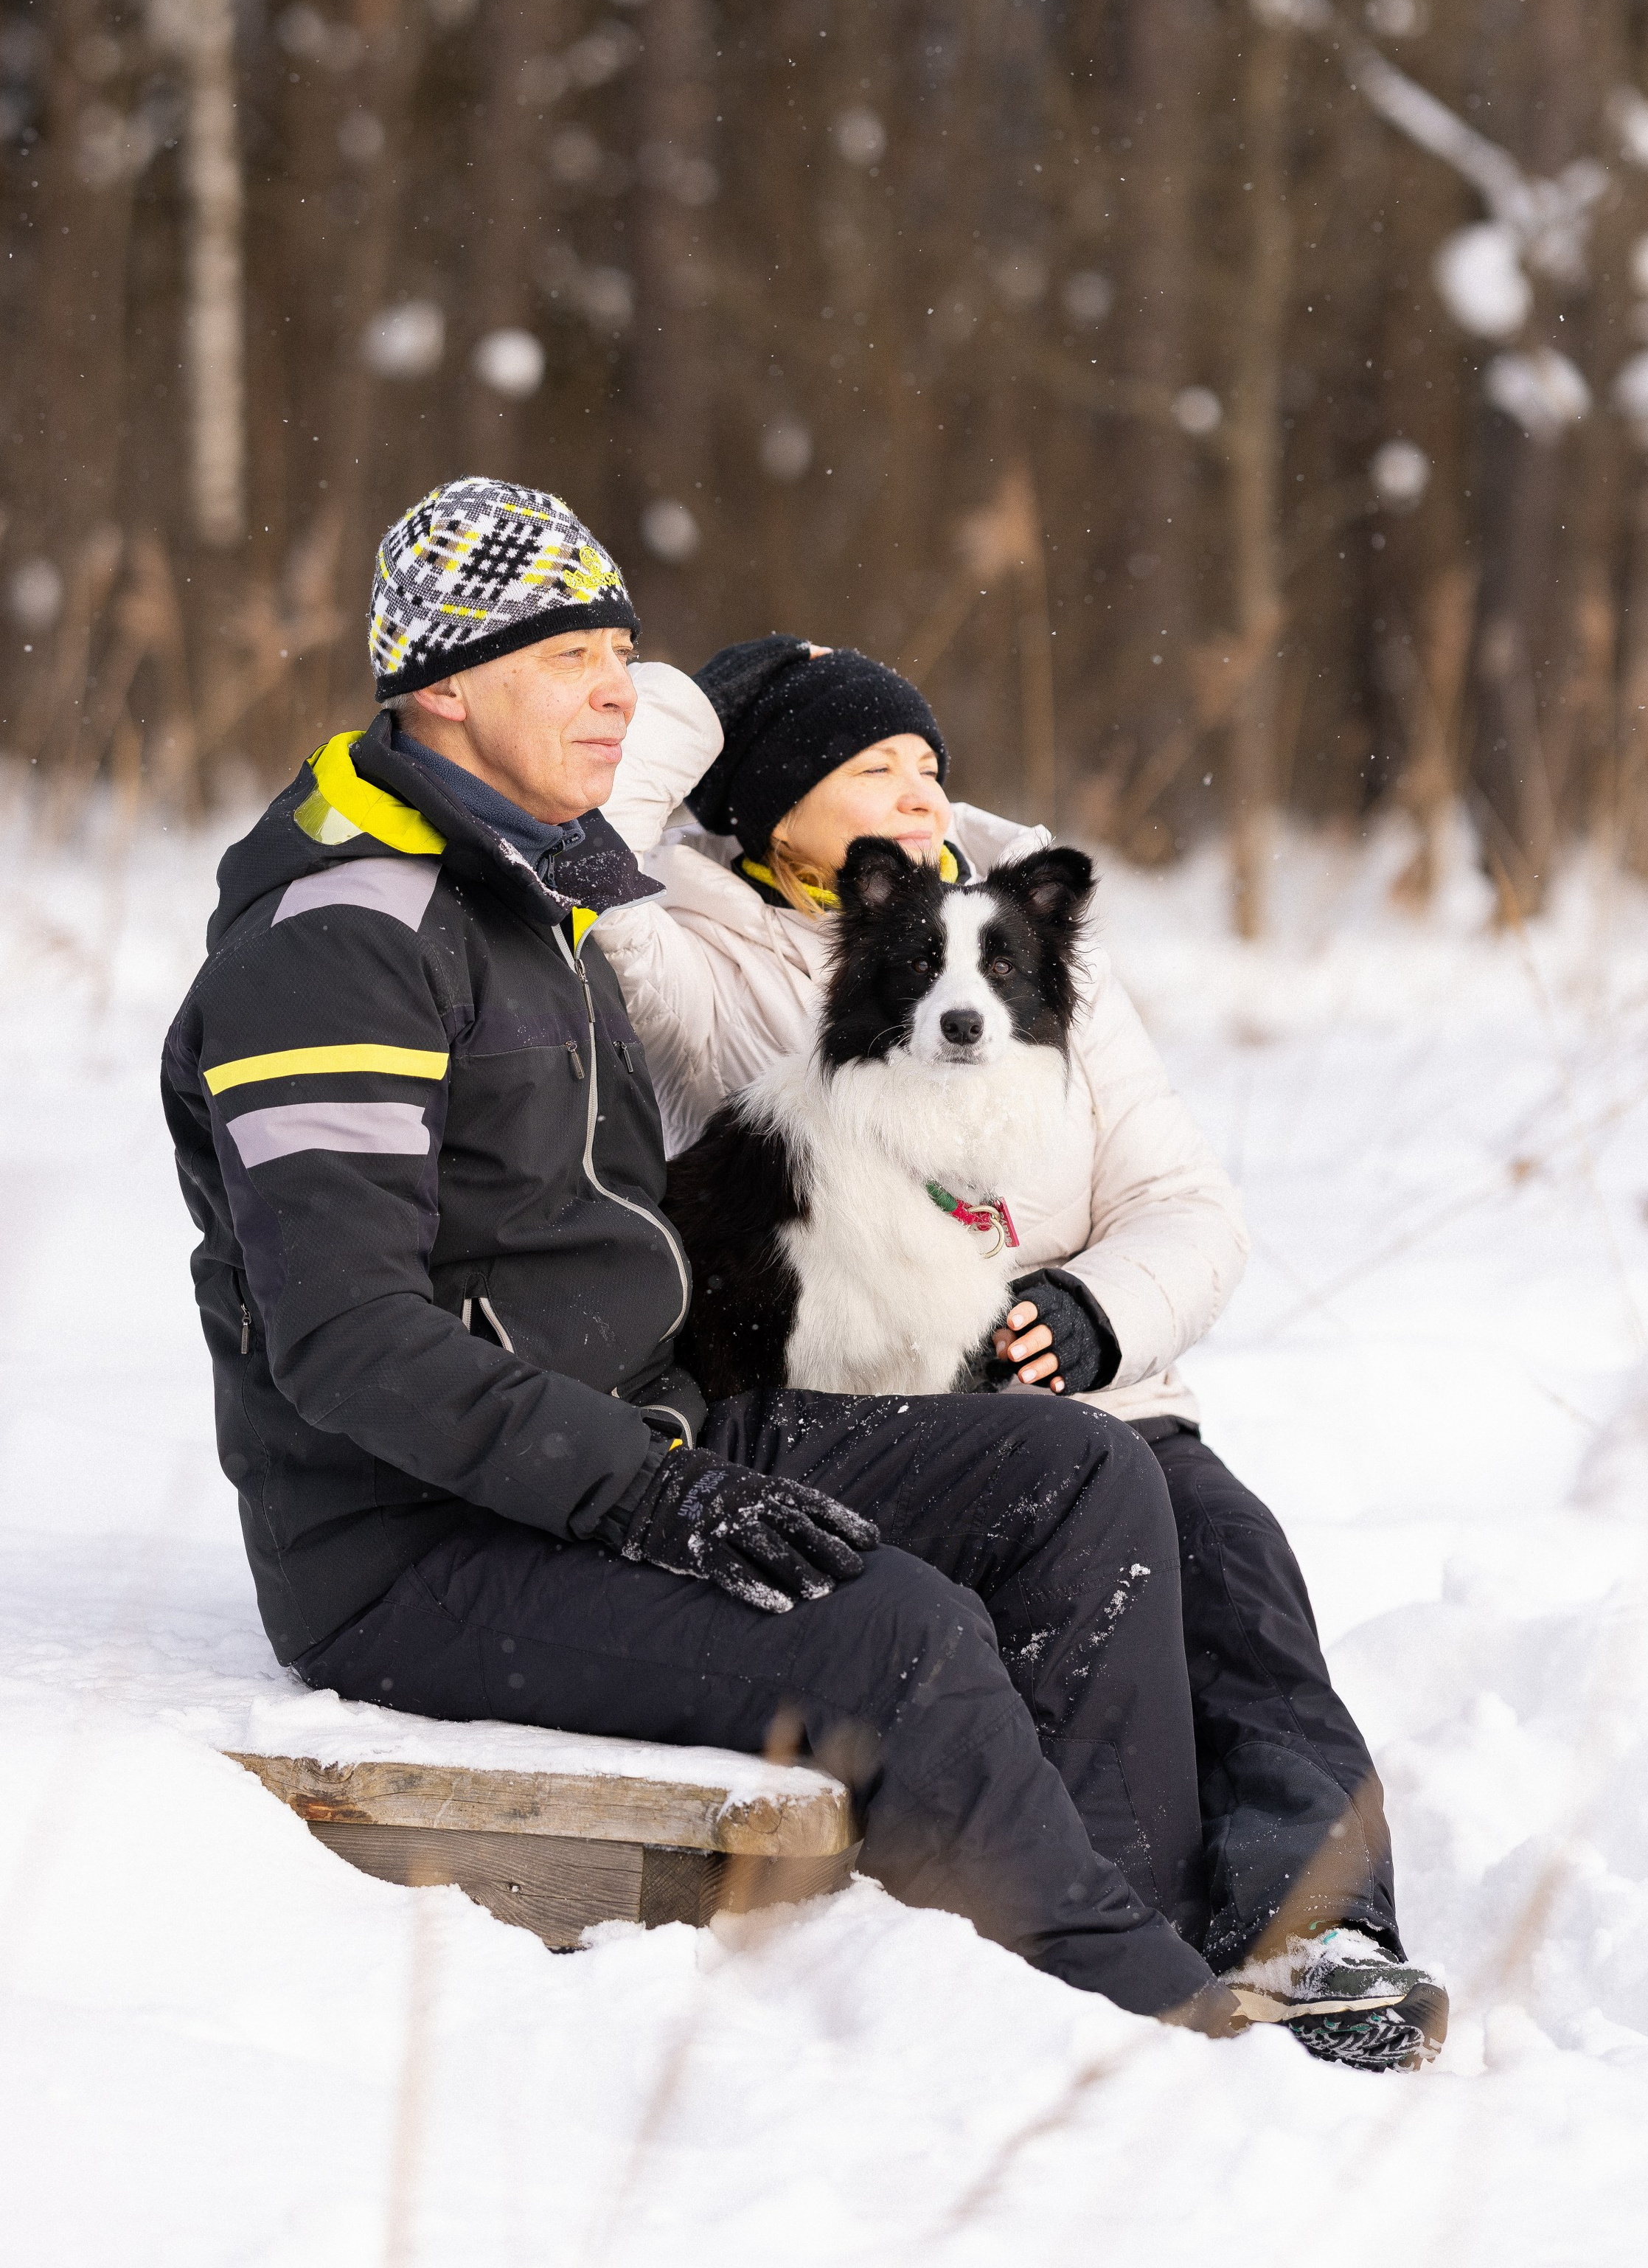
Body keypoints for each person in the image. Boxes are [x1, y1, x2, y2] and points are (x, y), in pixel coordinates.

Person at [161, 477, 1244, 2035]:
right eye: (564, 657)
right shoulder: (342, 936)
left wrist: (661, 1454)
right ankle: (1124, 2032)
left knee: (1079, 1472)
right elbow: (344, 1337)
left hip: (635, 1435)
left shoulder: (531, 887)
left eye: (626, 648)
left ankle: (1127, 1951)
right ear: (443, 687)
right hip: (421, 1543)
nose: (615, 688)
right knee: (897, 1630)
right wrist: (643, 1488)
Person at [594, 632, 1447, 2069]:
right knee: (1072, 1581)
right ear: (767, 803)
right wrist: (705, 701)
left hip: (1106, 1390)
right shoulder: (690, 951)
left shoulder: (1040, 943)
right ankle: (1119, 1923)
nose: (920, 790)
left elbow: (1183, 1204)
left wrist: (1093, 1308)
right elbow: (586, 844)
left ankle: (1318, 1931)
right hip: (871, 1402)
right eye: (871, 764)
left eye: (929, 761)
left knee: (1232, 1570)